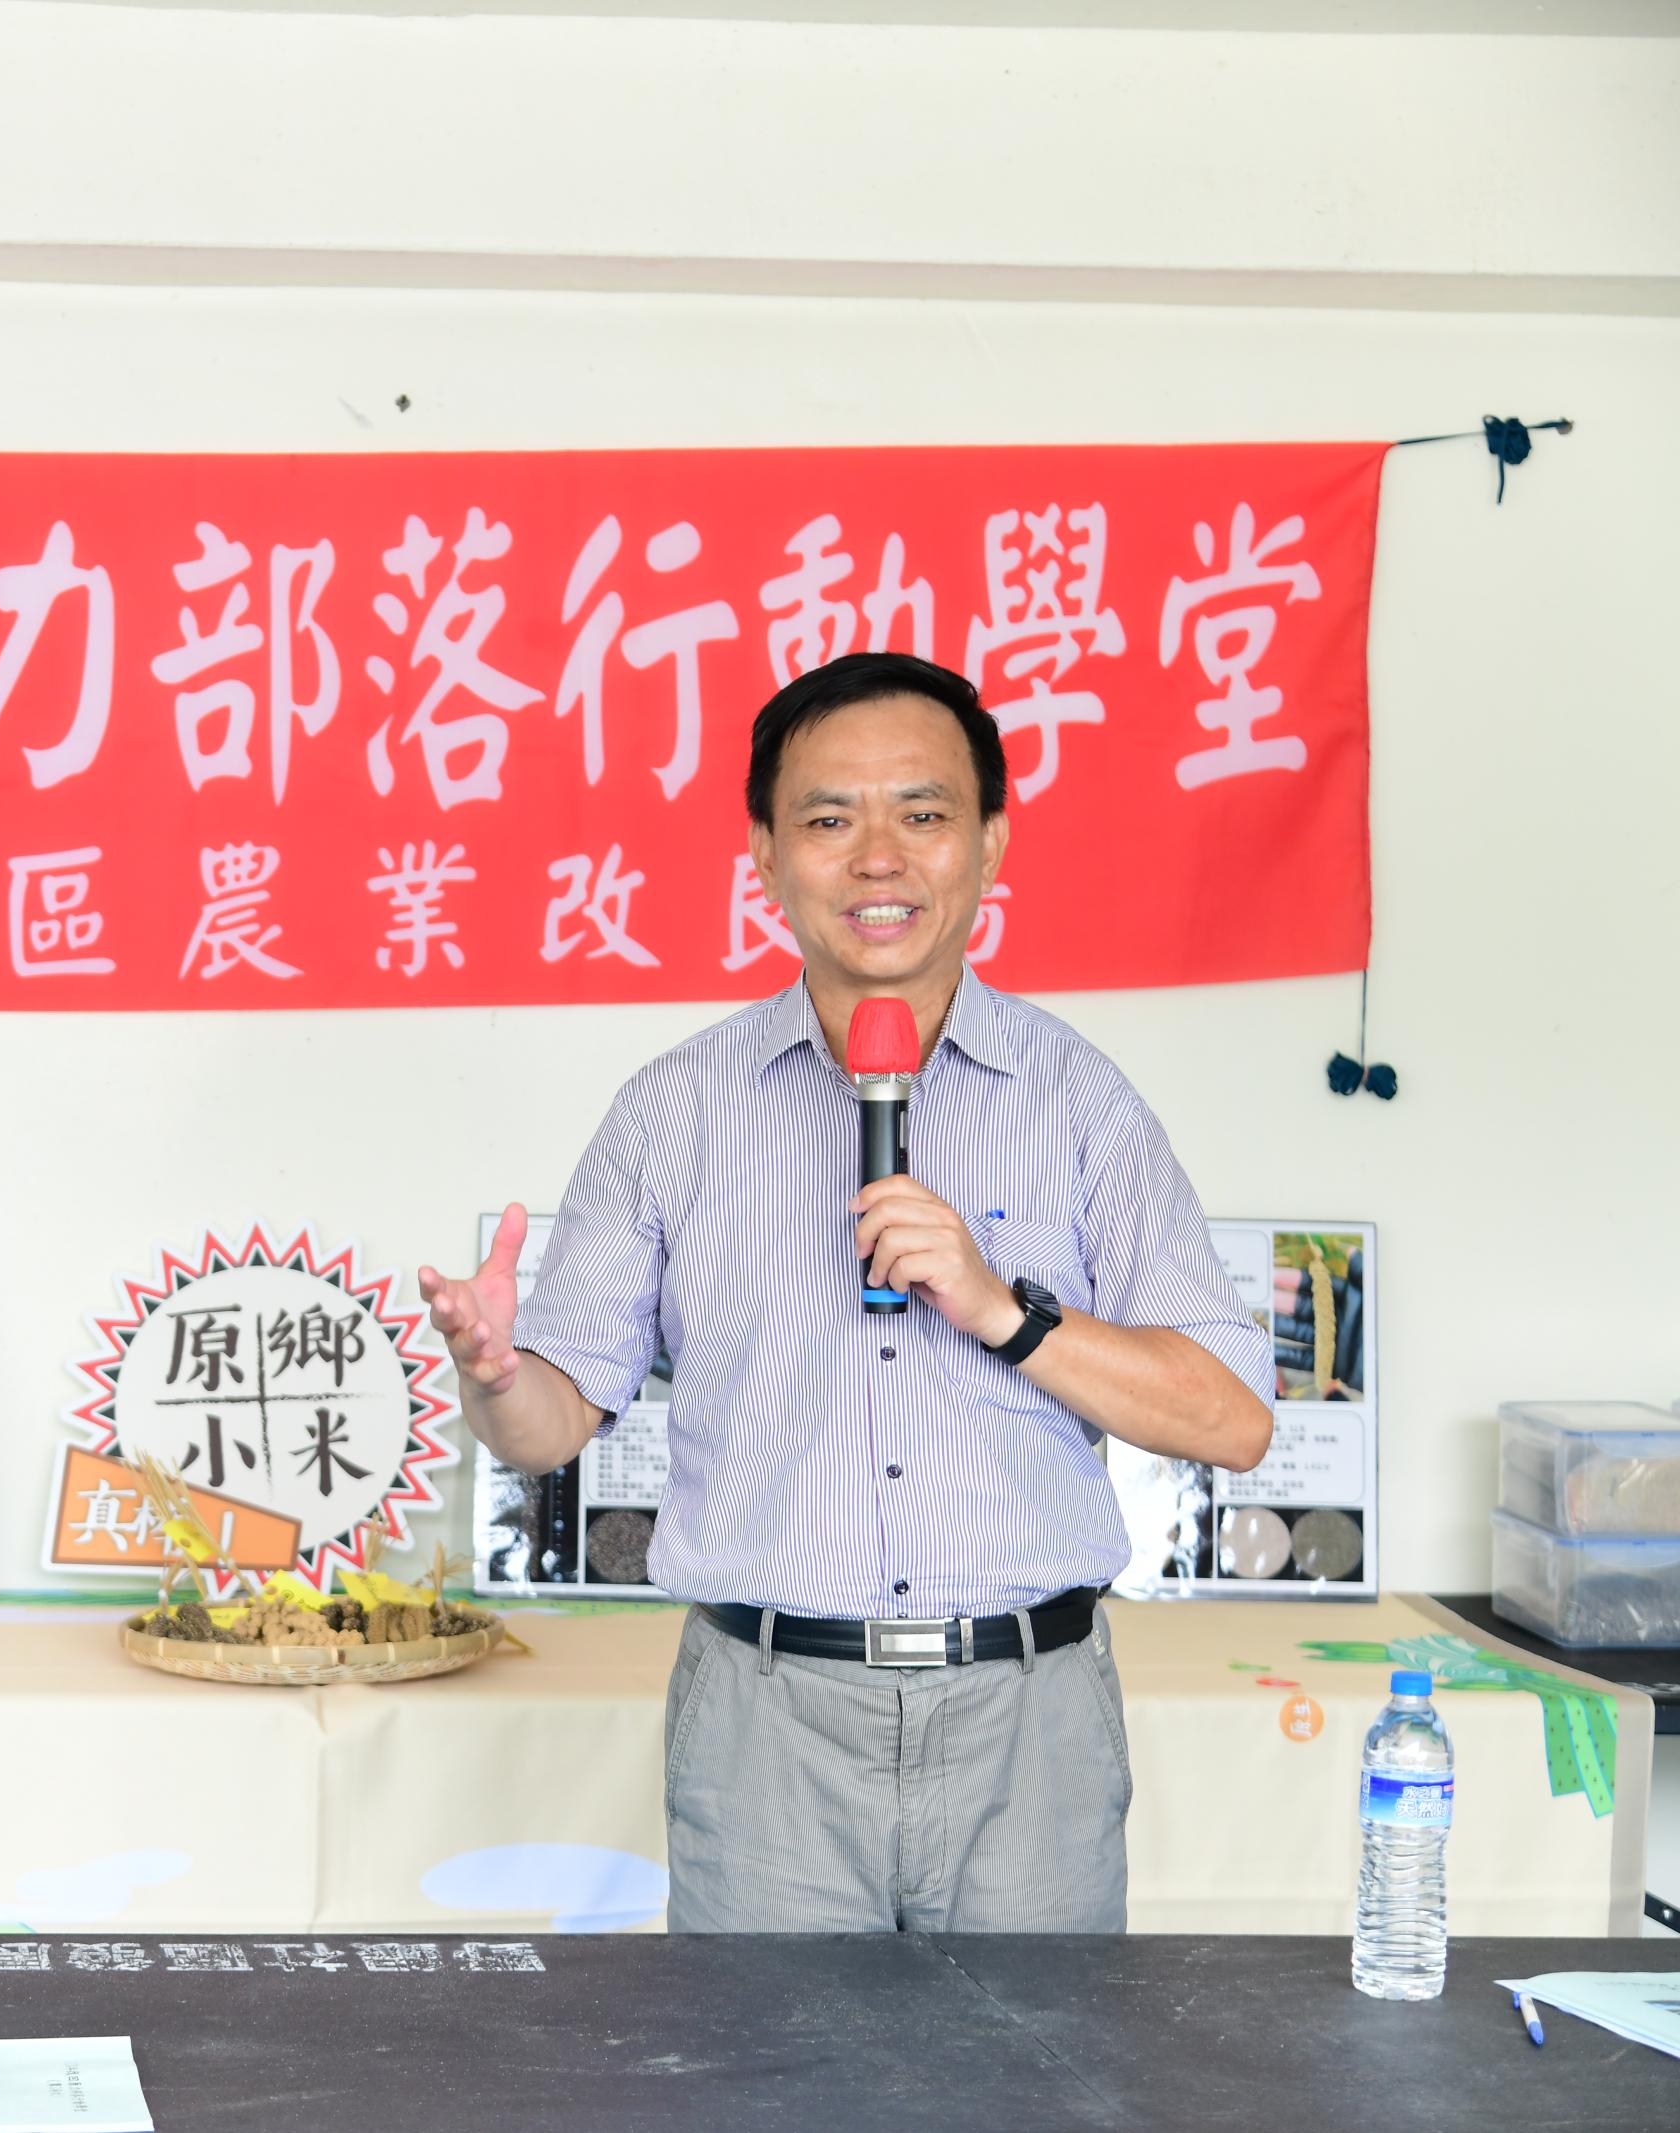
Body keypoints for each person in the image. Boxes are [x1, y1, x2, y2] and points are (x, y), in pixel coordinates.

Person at [422, 651, 1273, 1933]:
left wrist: (1004, 1309)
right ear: (763, 854)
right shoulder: (674, 1112)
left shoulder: (1080, 1104)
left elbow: (1233, 1419)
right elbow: (550, 1420)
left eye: (920, 815)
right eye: (828, 819)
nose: (877, 857)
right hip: (766, 1726)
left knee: (1034, 2100)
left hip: (1026, 1720)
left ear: (987, 842)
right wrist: (493, 1375)